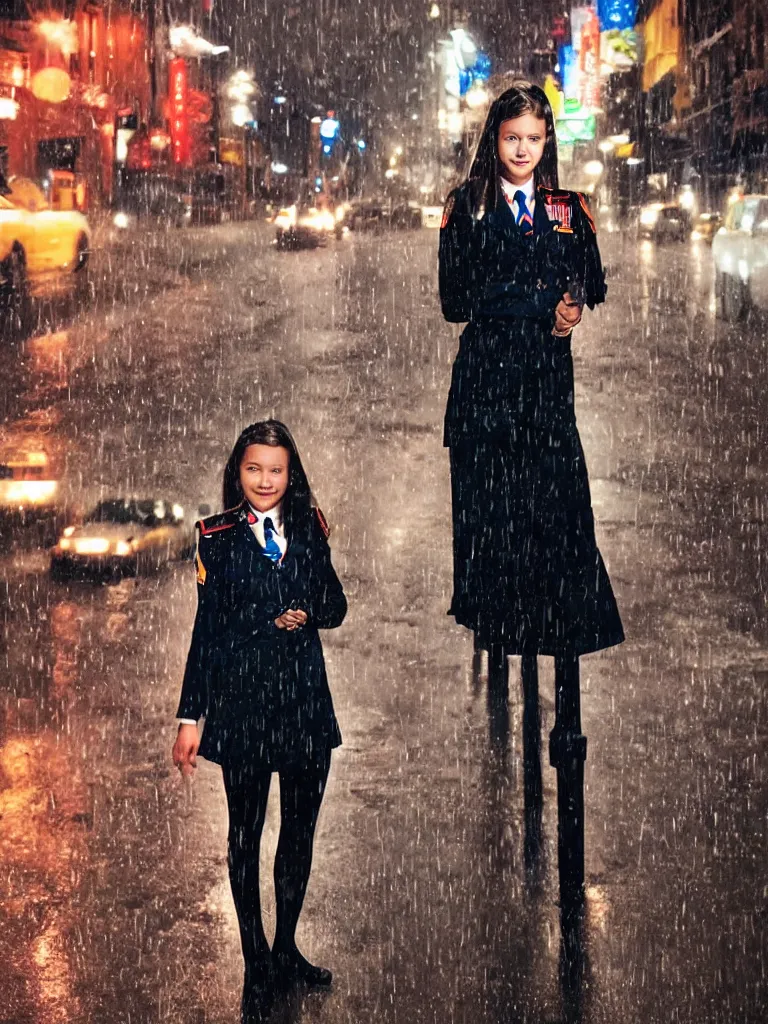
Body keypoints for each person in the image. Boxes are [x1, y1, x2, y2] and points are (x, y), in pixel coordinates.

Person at [438, 81, 623, 700]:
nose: (522, 149)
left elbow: (594, 283)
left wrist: (569, 300)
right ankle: (499, 627)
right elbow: (455, 301)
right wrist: (540, 301)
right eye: (512, 137)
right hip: (487, 384)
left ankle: (559, 630)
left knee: (558, 514)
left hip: (545, 387)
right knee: (494, 521)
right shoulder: (466, 206)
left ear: (548, 142)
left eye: (534, 139)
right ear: (494, 139)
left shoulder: (569, 208)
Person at [172, 419, 347, 1023]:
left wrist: (309, 608)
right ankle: (255, 962)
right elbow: (208, 633)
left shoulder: (310, 526)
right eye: (254, 469)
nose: (265, 481)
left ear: (290, 474)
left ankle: (286, 947)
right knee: (244, 838)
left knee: (298, 836)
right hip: (244, 709)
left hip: (303, 707)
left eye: (276, 470)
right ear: (237, 471)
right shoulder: (216, 539)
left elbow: (337, 607)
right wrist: (189, 717)